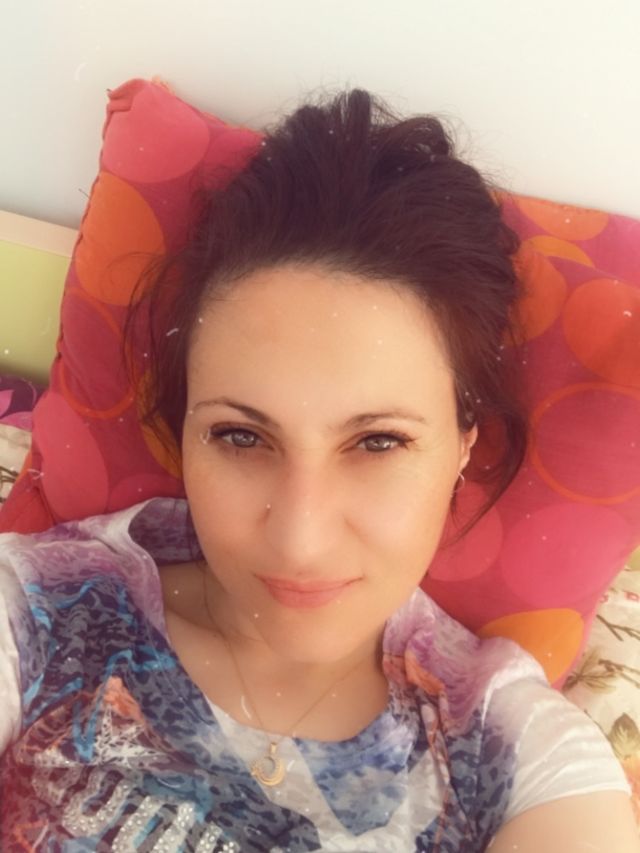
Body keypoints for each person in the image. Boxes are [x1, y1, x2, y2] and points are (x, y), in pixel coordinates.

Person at [0, 89, 637, 853]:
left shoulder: (516, 754)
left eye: (378, 442)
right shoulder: (40, 615)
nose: (299, 539)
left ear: (465, 443)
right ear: (184, 432)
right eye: (241, 436)